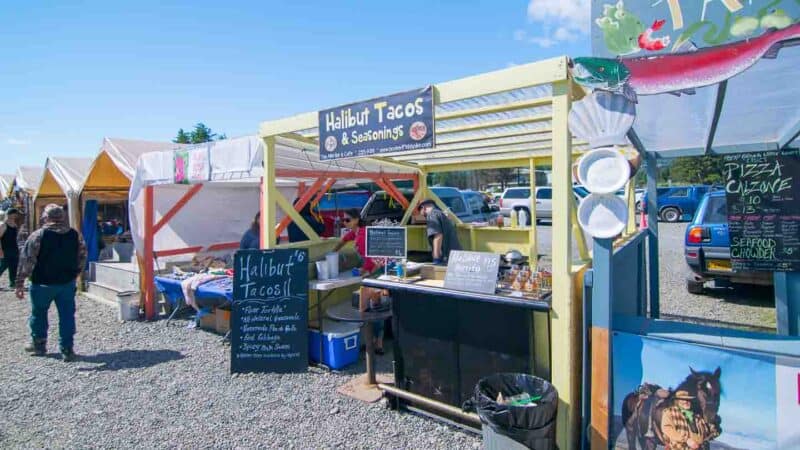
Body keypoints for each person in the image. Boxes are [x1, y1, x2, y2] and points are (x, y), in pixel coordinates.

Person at [15, 204, 87, 361]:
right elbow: (82, 256)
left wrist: (19, 283)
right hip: (66, 283)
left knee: (38, 313)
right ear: (62, 217)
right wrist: (76, 274)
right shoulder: (75, 235)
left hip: (42, 283)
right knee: (67, 315)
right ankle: (67, 349)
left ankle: (39, 344)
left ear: (46, 217)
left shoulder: (37, 235)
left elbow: (27, 261)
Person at [333, 209, 385, 353]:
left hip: (375, 271)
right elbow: (345, 238)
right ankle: (374, 341)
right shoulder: (357, 231)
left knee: (373, 307)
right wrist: (334, 251)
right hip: (374, 270)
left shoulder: (362, 235)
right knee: (371, 306)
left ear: (356, 220)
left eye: (347, 220)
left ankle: (378, 342)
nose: (345, 223)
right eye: (343, 220)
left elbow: (370, 256)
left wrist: (364, 270)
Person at [419, 199, 462, 264]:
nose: (421, 215)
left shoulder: (431, 215)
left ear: (423, 208)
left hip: (447, 257)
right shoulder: (440, 214)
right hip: (455, 255)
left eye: (420, 211)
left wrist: (436, 256)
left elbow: (438, 236)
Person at [0, 208, 23, 289]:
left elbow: (15, 238)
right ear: (11, 214)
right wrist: (0, 250)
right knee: (2, 266)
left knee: (14, 267)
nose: (17, 215)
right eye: (16, 214)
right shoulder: (3, 225)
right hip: (5, 250)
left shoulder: (15, 225)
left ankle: (12, 283)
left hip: (14, 249)